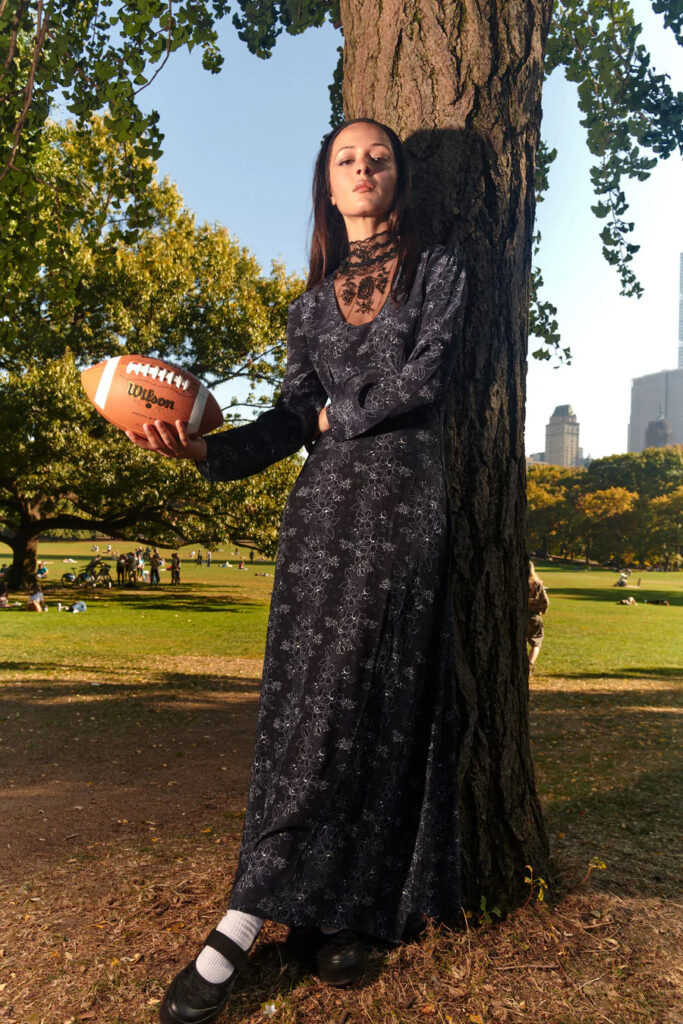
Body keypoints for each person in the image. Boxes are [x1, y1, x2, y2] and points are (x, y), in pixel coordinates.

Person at [126, 118, 466, 1024]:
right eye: (345, 159)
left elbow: (425, 376)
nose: (362, 168)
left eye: (378, 157)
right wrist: (204, 451)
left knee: (371, 704)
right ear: (327, 184)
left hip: (401, 508)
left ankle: (265, 915)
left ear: (397, 178)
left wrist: (327, 420)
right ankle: (311, 915)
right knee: (306, 704)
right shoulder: (309, 307)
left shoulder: (437, 270)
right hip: (319, 518)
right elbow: (289, 419)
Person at [526, 561, 549, 668]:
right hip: (533, 616)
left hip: (518, 617)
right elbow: (545, 602)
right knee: (536, 642)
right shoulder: (537, 583)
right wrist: (542, 610)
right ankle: (530, 665)